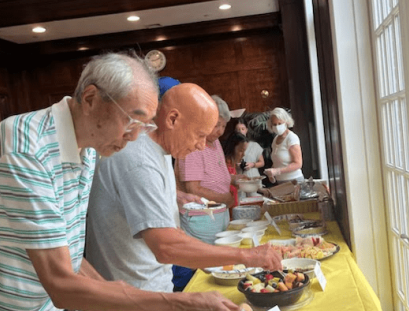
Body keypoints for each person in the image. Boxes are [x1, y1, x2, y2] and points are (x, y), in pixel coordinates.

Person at [0, 52, 238, 311]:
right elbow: (60, 284)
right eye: (132, 120)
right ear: (91, 98)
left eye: (145, 126)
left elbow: (69, 257)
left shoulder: (89, 150)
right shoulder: (26, 148)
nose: (134, 137)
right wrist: (181, 303)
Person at [85, 80, 282, 295]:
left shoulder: (159, 150)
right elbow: (165, 247)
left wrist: (176, 196)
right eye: (199, 135)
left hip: (151, 288)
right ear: (172, 119)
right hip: (132, 293)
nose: (201, 145)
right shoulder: (140, 159)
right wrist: (246, 256)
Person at [176, 95, 244, 244]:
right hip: (202, 217)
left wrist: (235, 179)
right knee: (210, 262)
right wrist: (225, 198)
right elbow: (193, 188)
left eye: (224, 126)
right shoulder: (192, 144)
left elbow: (214, 175)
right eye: (216, 125)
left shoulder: (214, 141)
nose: (220, 131)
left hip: (219, 213)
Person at [264, 107, 305, 183]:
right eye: (274, 124)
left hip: (294, 180)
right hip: (280, 181)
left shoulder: (292, 138)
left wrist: (277, 171)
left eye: (279, 123)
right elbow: (278, 162)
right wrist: (271, 173)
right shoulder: (275, 139)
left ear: (286, 122)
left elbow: (298, 163)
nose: (277, 127)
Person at [223, 132, 249, 208]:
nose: (243, 154)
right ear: (232, 148)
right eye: (241, 151)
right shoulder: (224, 164)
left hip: (234, 207)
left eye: (244, 151)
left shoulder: (232, 163)